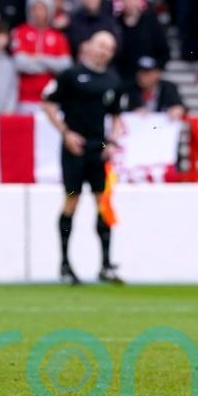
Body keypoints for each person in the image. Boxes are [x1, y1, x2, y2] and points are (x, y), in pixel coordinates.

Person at [41, 31, 125, 286]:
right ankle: (65, 264)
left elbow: (116, 116)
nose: (104, 51)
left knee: (103, 202)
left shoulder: (113, 80)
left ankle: (106, 265)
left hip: (99, 148)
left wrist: (112, 142)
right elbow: (48, 104)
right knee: (72, 200)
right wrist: (66, 133)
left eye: (109, 48)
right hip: (74, 148)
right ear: (89, 46)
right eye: (101, 45)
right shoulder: (71, 75)